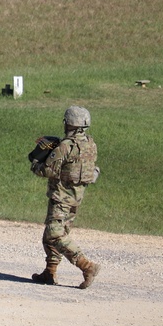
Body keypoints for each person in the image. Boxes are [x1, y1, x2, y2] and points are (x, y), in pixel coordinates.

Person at [30, 105, 101, 289]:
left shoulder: (65, 146)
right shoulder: (90, 145)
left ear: (69, 124)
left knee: (55, 234)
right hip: (75, 199)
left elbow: (48, 171)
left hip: (61, 198)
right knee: (51, 235)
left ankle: (87, 266)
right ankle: (50, 272)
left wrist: (36, 163)